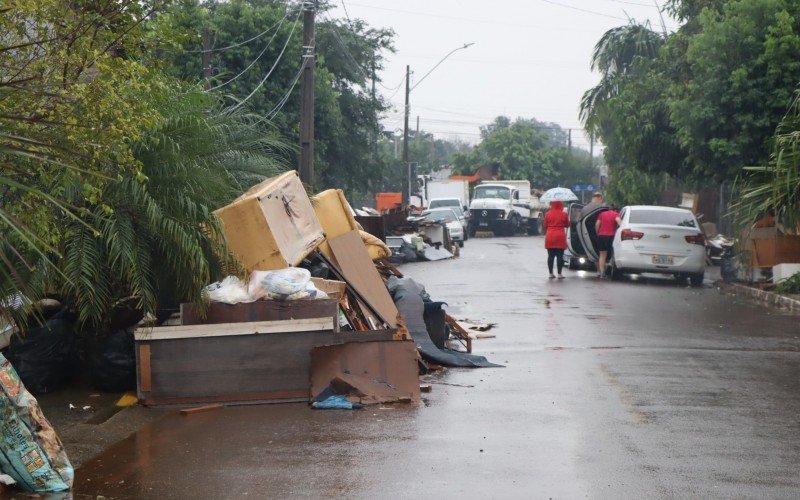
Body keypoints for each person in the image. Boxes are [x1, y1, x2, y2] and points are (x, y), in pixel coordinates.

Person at [543, 200, 570, 279]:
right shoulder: (564, 214)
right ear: (561, 205)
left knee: (550, 256)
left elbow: (545, 225)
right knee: (560, 256)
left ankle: (550, 273)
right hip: (560, 236)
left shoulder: (548, 214)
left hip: (550, 236)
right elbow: (568, 225)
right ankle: (559, 274)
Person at [595, 204, 622, 278]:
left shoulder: (602, 214)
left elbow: (597, 224)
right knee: (611, 255)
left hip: (601, 236)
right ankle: (609, 270)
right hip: (611, 237)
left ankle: (602, 272)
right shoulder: (616, 214)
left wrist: (597, 233)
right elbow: (619, 222)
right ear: (615, 209)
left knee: (602, 255)